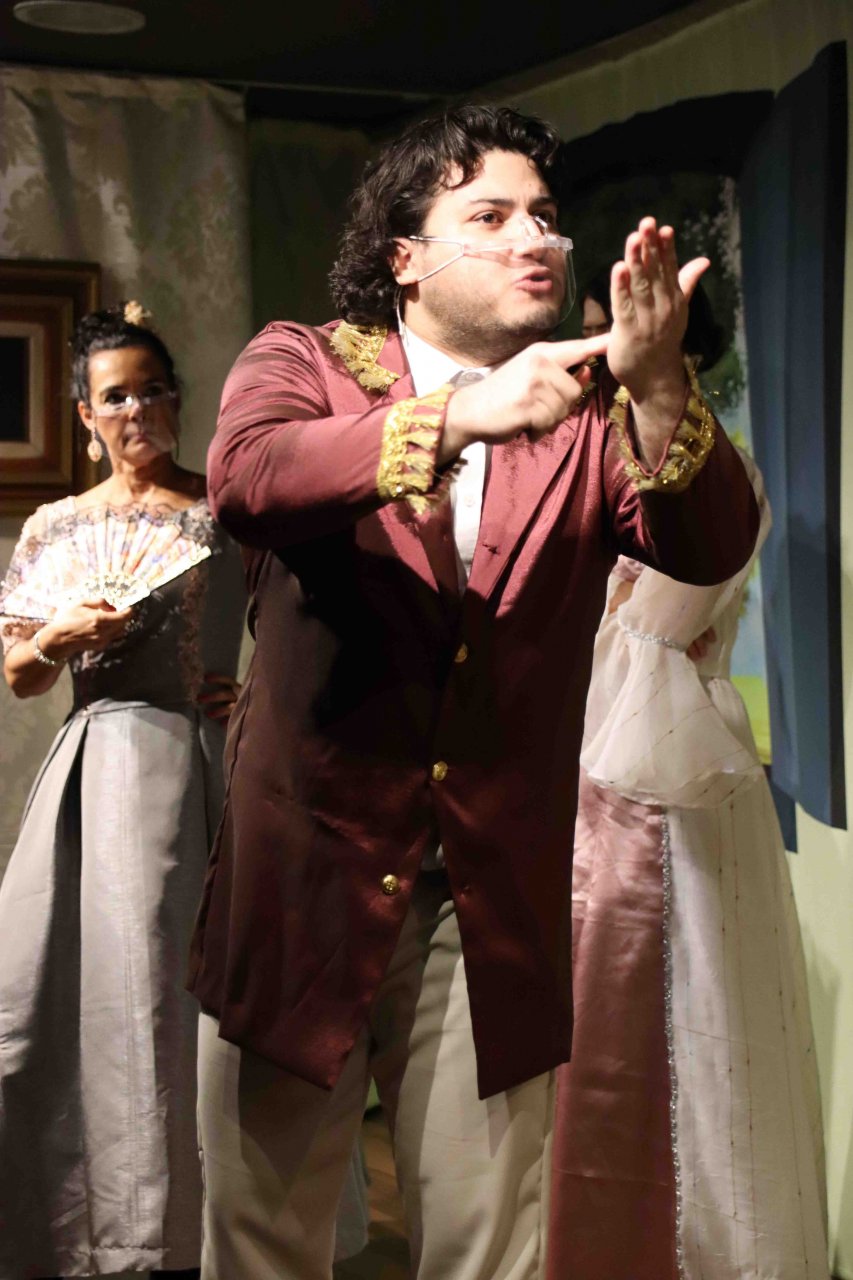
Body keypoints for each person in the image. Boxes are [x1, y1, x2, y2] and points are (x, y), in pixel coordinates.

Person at [188, 104, 760, 1280]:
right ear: (405, 256)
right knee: (263, 1243)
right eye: (490, 216)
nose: (533, 237)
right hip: (303, 883)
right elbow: (247, 477)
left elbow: (709, 543)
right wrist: (452, 415)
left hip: (486, 897)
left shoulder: (591, 415)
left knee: (490, 1248)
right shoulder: (304, 360)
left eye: (543, 217)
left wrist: (658, 384)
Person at [0, 304, 245, 1279]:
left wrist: (254, 693)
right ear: (84, 414)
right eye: (115, 397)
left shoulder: (225, 511)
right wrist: (58, 639)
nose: (136, 410)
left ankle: (204, 1234)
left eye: (153, 390)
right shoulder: (59, 525)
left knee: (191, 1000)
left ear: (177, 398)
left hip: (204, 767)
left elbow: (302, 625)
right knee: (76, 999)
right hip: (96, 771)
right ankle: (94, 1226)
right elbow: (19, 673)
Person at [547, 456, 830, 1278]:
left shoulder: (718, 475)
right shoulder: (585, 469)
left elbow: (645, 633)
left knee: (663, 1028)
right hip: (590, 764)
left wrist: (588, 618)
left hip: (654, 776)